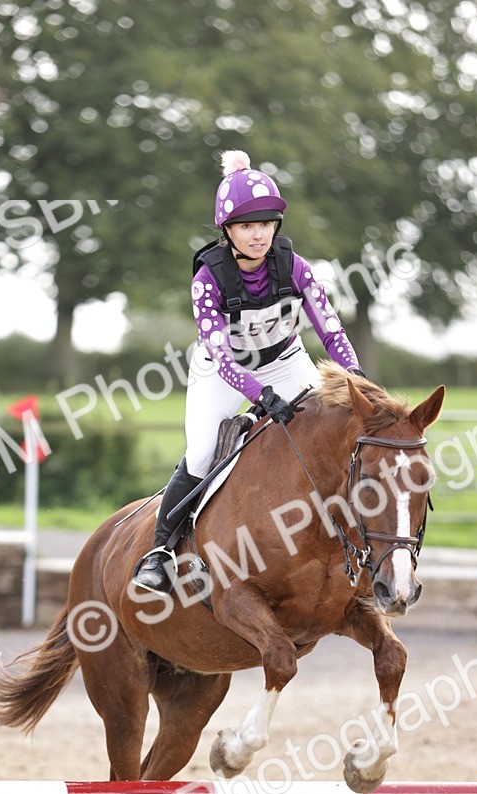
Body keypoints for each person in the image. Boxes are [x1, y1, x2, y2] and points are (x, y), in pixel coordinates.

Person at [133, 148, 363, 594]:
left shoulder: (296, 269)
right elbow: (223, 358)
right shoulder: (208, 280)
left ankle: (356, 537)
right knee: (202, 453)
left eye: (265, 224)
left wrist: (356, 381)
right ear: (228, 230)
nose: (258, 235)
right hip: (223, 372)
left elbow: (331, 332)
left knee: (335, 428)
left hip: (286, 359)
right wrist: (261, 398)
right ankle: (161, 551)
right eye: (246, 226)